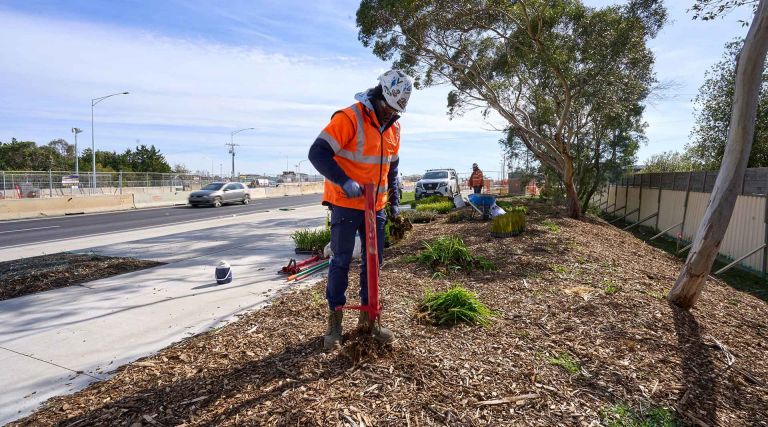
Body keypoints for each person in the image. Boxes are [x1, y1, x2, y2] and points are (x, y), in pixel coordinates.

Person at [308, 70, 413, 350]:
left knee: (373, 265)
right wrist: (344, 180)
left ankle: (370, 319)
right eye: (388, 108)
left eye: (396, 111)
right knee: (341, 261)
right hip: (345, 203)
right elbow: (317, 153)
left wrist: (393, 203)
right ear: (380, 96)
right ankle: (335, 322)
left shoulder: (394, 127)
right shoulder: (349, 117)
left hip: (374, 207)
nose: (391, 115)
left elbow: (392, 167)